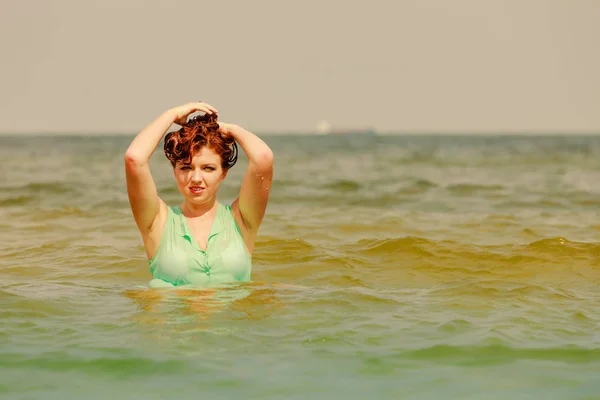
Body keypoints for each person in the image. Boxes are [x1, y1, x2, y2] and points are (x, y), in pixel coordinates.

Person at [125, 101, 273, 288]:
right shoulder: (156, 222)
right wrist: (172, 114)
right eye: (186, 167)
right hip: (170, 317)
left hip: (233, 317)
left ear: (223, 173)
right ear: (175, 171)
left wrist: (228, 129)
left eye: (208, 168)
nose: (196, 178)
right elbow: (134, 158)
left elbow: (263, 158)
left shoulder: (241, 220)